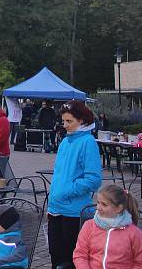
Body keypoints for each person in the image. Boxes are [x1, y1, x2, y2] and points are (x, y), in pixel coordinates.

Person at [47, 100, 102, 269]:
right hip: (55, 209)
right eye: (63, 121)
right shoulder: (65, 142)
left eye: (69, 121)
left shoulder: (88, 142)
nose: (65, 125)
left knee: (69, 259)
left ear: (82, 121)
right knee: (55, 256)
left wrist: (67, 191)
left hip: (73, 212)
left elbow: (93, 179)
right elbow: (60, 175)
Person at [72, 184, 142, 269]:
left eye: (104, 205)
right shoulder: (89, 226)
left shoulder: (134, 233)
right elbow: (80, 255)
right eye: (98, 202)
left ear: (119, 208)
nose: (98, 207)